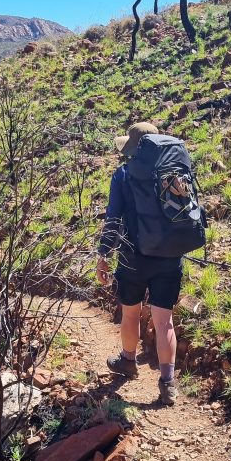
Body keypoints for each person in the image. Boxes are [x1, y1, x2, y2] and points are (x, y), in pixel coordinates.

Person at [97, 121, 183, 406]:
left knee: (131, 313)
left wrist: (103, 254)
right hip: (169, 257)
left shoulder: (123, 175)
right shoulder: (174, 172)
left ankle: (128, 360)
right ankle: (168, 383)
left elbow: (113, 218)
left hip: (132, 256)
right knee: (164, 321)